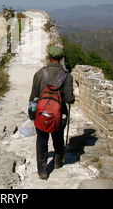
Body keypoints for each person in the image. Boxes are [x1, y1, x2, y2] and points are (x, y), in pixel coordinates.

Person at [29, 45, 75, 179]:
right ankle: (57, 162)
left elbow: (33, 98)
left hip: (41, 114)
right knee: (58, 138)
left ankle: (42, 171)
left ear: (49, 57)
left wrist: (32, 114)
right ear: (61, 59)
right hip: (59, 115)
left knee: (42, 141)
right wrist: (72, 98)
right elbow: (68, 99)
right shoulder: (67, 76)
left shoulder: (39, 74)